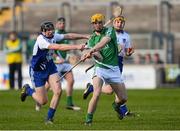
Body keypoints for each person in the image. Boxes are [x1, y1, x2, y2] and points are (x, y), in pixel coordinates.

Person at [20, 21, 88, 124]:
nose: (51, 32)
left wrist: (85, 36)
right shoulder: (41, 40)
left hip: (50, 67)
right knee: (42, 101)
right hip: (37, 71)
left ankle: (49, 118)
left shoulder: (53, 35)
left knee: (58, 90)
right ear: (43, 31)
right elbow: (58, 47)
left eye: (52, 29)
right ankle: (28, 90)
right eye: (48, 30)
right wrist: (77, 47)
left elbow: (68, 36)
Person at [81, 14, 133, 125]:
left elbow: (104, 41)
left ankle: (116, 105)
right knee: (97, 94)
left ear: (102, 22)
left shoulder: (110, 31)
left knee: (123, 98)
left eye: (100, 22)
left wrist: (92, 50)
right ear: (92, 24)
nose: (98, 25)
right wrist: (92, 54)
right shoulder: (92, 39)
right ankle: (88, 120)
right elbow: (100, 57)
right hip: (100, 68)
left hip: (114, 69)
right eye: (95, 23)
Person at [36, 17, 80, 111]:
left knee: (71, 81)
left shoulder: (64, 34)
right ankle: (39, 100)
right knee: (49, 85)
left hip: (66, 62)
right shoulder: (54, 35)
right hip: (56, 63)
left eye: (63, 23)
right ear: (56, 25)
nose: (62, 25)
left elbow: (67, 45)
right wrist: (57, 58)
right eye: (60, 23)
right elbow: (55, 48)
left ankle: (69, 103)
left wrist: (70, 56)